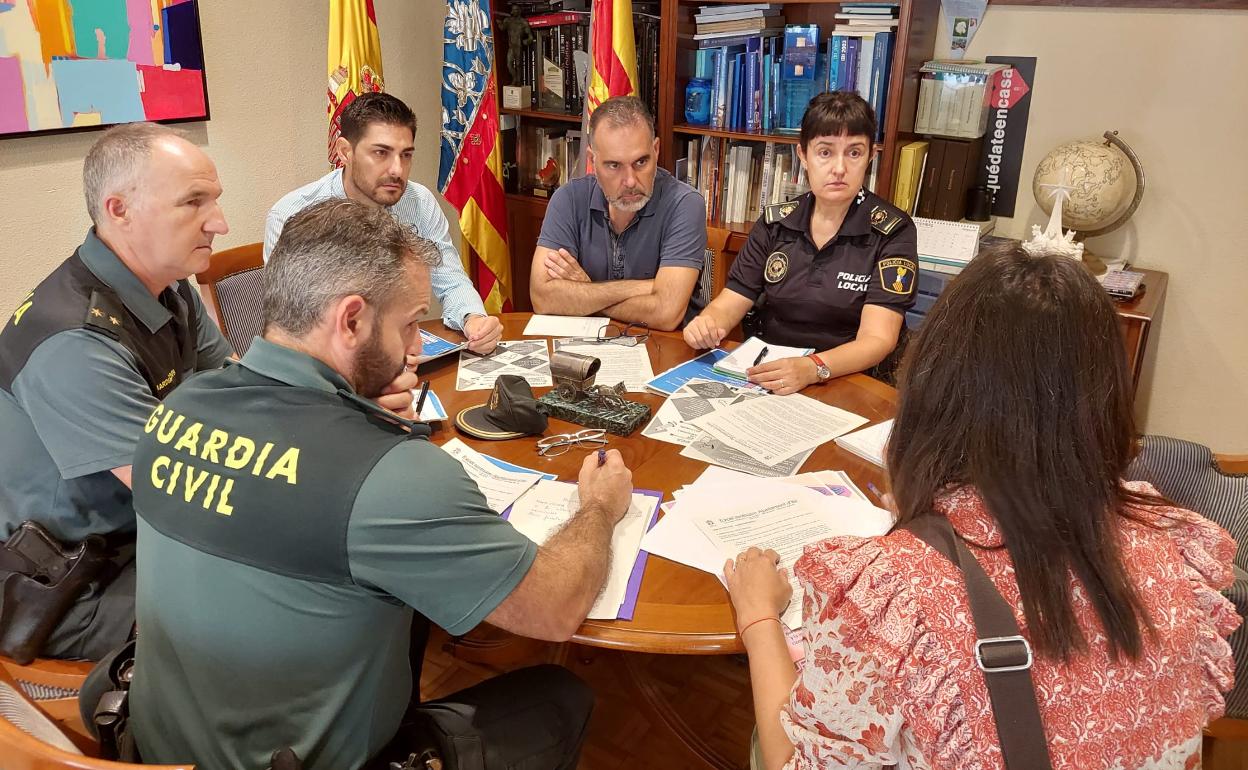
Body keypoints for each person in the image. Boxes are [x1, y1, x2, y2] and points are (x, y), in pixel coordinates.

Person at [129, 198, 634, 770]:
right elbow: (555, 610)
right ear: (351, 320)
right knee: (559, 697)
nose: (419, 346)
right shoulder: (390, 476)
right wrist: (598, 508)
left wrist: (352, 405)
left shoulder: (177, 407)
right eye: (412, 323)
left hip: (157, 748)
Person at [724, 244, 1240, 770]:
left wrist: (759, 616)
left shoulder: (895, 597)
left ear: (932, 385)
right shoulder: (1170, 544)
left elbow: (791, 762)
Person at [0, 122, 235, 661]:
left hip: (132, 528)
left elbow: (236, 389)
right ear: (118, 210)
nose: (218, 222)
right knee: (271, 613)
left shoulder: (170, 288)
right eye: (193, 202)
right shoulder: (74, 341)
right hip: (67, 580)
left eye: (214, 201)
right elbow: (185, 491)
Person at [684, 92, 917, 394]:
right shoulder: (776, 223)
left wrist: (813, 368)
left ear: (871, 156)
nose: (839, 168)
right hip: (770, 373)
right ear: (803, 155)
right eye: (825, 152)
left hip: (851, 379)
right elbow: (732, 300)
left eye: (854, 153)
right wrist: (707, 323)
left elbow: (878, 339)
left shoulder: (892, 231)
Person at [265, 92, 502, 355]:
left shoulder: (419, 202)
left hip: (403, 358)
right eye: (381, 153)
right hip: (326, 368)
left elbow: (451, 279)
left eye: (406, 155)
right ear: (345, 152)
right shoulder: (292, 214)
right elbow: (294, 324)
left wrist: (474, 320)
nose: (397, 170)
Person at [529, 95, 707, 331]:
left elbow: (666, 313)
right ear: (593, 160)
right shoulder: (568, 199)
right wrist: (643, 288)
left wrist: (585, 292)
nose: (631, 181)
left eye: (641, 162)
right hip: (587, 345)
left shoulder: (685, 204)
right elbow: (542, 298)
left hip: (666, 349)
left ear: (656, 150)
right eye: (614, 165)